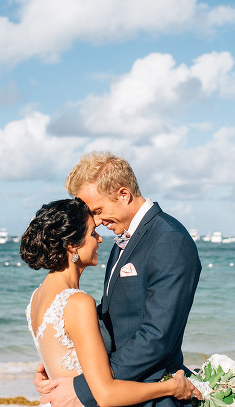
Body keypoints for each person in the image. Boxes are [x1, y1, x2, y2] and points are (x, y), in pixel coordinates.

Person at [34, 152, 202, 407]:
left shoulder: (169, 239)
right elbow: (116, 314)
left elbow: (157, 336)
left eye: (98, 210)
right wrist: (62, 354)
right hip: (121, 391)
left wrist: (84, 386)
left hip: (151, 394)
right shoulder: (121, 241)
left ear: (124, 194)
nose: (97, 223)